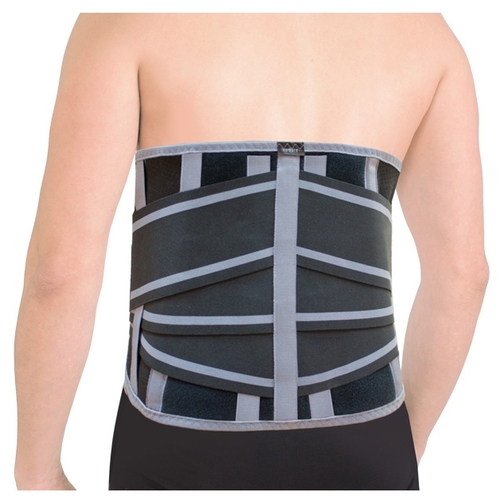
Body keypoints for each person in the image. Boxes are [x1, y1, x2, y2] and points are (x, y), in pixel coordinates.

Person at [14, 13, 488, 490]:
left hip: (176, 437)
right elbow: (463, 275)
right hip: (367, 432)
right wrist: (397, 448)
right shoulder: (427, 36)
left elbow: (59, 271)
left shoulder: (125, 19)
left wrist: (38, 474)